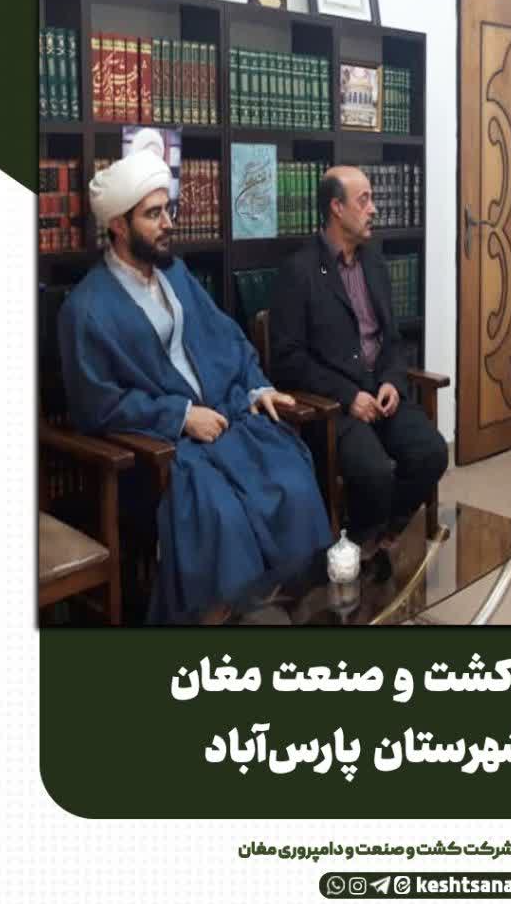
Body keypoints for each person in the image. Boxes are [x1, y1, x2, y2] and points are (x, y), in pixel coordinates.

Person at [58, 149, 332, 623]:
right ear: (118, 226)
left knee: (292, 480)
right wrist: (181, 417)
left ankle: (302, 609)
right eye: (153, 214)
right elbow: (96, 405)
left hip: (225, 422)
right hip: (161, 452)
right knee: (222, 519)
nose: (168, 223)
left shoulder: (176, 275)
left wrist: (257, 387)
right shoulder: (86, 308)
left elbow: (229, 338)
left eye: (168, 209)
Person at [269, 165, 448, 548]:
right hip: (335, 405)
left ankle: (382, 534)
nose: (373, 209)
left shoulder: (375, 264)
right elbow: (287, 360)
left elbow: (392, 340)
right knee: (374, 472)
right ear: (336, 208)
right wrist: (349, 397)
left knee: (432, 452)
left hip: (381, 393)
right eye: (364, 200)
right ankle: (363, 544)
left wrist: (392, 381)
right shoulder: (299, 271)